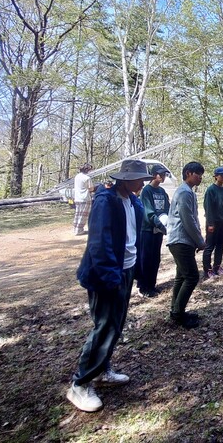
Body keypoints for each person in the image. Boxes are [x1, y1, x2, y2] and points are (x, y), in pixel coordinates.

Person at [66, 159, 151, 412]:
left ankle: (102, 370)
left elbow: (133, 236)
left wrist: (135, 271)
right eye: (139, 179)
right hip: (107, 274)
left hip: (125, 270)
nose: (142, 183)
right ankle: (80, 384)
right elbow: (99, 243)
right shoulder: (106, 201)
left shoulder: (132, 200)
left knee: (115, 325)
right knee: (104, 327)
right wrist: (110, 277)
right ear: (125, 179)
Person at [166, 162, 206, 329]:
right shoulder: (184, 192)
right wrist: (200, 241)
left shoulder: (188, 192)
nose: (200, 177)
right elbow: (187, 219)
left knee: (181, 276)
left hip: (182, 241)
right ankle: (178, 313)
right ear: (188, 173)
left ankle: (176, 310)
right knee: (191, 277)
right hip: (180, 240)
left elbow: (192, 218)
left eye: (201, 175)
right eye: (198, 174)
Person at [137, 165, 171, 297]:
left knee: (155, 258)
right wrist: (159, 224)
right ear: (153, 175)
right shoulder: (146, 191)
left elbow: (167, 208)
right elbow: (148, 212)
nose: (162, 177)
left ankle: (152, 285)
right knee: (146, 258)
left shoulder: (162, 191)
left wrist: (167, 223)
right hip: (147, 230)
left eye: (164, 174)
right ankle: (143, 287)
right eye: (160, 174)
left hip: (159, 230)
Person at [203, 166, 223, 278]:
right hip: (214, 223)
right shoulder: (211, 190)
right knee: (209, 246)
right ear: (216, 176)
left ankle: (217, 266)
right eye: (222, 175)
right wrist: (210, 223)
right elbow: (208, 208)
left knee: (220, 245)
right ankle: (207, 269)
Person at [72, 163, 96, 236]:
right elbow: (91, 188)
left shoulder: (77, 176)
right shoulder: (87, 178)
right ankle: (79, 230)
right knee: (83, 215)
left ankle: (75, 228)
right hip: (85, 198)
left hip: (77, 197)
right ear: (86, 169)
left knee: (78, 213)